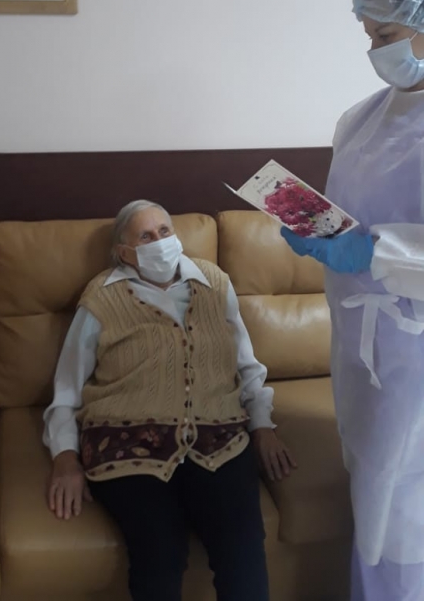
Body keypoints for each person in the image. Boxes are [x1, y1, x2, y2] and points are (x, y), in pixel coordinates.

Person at [43, 199, 296, 601]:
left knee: (243, 550)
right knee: (159, 556)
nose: (159, 241)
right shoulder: (102, 298)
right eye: (145, 236)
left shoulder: (214, 283)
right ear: (124, 252)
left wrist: (262, 426)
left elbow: (246, 365)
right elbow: (67, 387)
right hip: (125, 442)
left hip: (219, 437)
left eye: (164, 231)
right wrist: (65, 458)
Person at [281, 0, 424, 601]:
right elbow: (350, 216)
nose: (373, 51)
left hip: (414, 349)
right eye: (368, 36)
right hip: (359, 345)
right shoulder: (360, 119)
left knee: (405, 507)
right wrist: (318, 230)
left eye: (385, 35)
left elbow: (376, 241)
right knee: (370, 483)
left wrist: (375, 253)